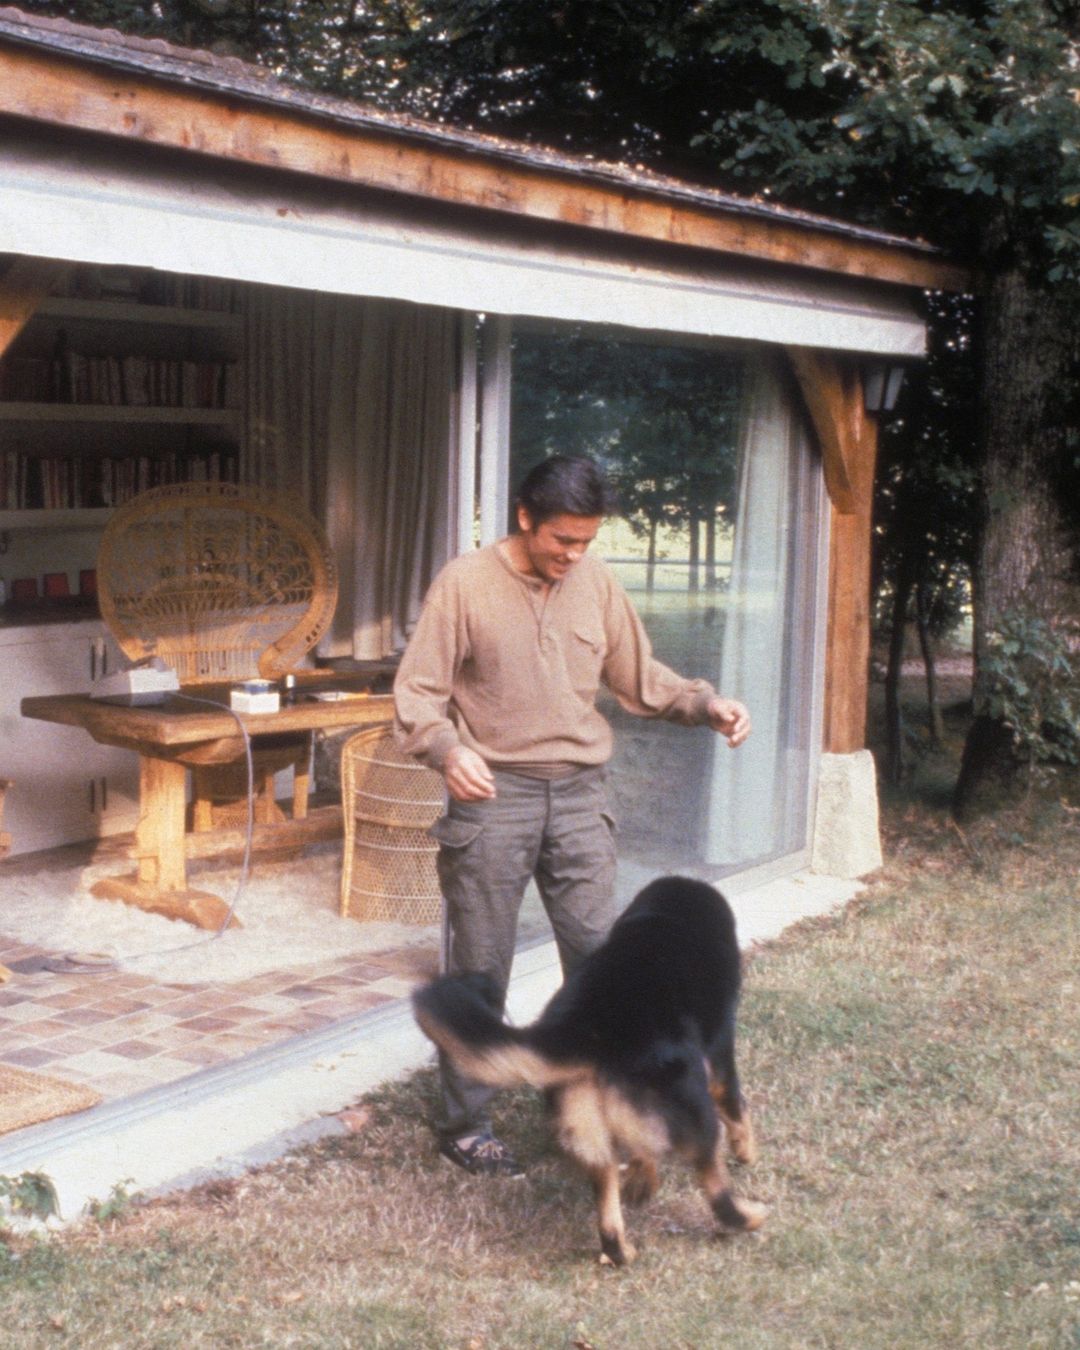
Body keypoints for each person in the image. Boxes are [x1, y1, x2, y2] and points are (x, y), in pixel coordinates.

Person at [393, 455, 751, 1176]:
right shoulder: (465, 584)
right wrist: (446, 750)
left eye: (586, 542)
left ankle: (606, 1101)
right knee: (480, 962)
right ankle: (467, 1124)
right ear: (526, 518)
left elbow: (640, 679)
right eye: (562, 540)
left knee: (603, 958)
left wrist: (704, 704)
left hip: (582, 795)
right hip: (495, 795)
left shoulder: (595, 583)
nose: (574, 556)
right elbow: (419, 692)